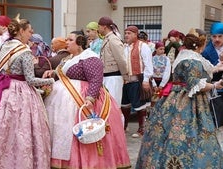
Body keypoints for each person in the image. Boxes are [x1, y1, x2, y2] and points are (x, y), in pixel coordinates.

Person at [136, 28, 223, 168]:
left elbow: (202, 71)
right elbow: (195, 84)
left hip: (173, 98)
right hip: (189, 102)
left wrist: (217, 68)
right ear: (201, 44)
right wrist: (215, 85)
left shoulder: (184, 56)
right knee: (192, 136)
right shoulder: (192, 61)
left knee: (164, 134)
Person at [0, 14, 54, 169]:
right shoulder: (25, 51)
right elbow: (31, 80)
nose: (31, 34)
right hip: (20, 93)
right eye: (29, 31)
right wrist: (50, 80)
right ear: (21, 31)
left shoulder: (2, 46)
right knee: (19, 130)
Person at [43, 30, 131, 169]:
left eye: (70, 40)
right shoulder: (68, 58)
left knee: (83, 130)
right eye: (66, 39)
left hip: (83, 99)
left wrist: (90, 99)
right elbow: (65, 72)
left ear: (79, 43)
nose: (67, 42)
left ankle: (88, 163)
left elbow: (96, 80)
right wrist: (53, 72)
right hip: (64, 101)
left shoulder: (90, 57)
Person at [202, 22, 223, 168]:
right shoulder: (206, 52)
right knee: (217, 121)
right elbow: (204, 73)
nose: (216, 39)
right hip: (215, 92)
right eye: (214, 36)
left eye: (220, 36)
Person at [121, 25, 153, 138]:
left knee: (140, 105)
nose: (126, 35)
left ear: (135, 34)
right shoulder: (124, 47)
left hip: (137, 80)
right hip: (125, 81)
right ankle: (124, 127)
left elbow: (148, 64)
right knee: (124, 105)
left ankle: (142, 128)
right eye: (125, 33)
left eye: (129, 33)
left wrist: (146, 80)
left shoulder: (143, 47)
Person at [98, 16, 128, 108]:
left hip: (113, 77)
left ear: (104, 27)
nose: (98, 29)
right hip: (107, 77)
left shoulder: (113, 39)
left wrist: (125, 76)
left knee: (113, 105)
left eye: (99, 26)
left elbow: (121, 59)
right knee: (107, 105)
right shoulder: (107, 38)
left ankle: (117, 122)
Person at [151, 41, 171, 106]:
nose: (162, 51)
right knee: (153, 98)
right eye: (160, 49)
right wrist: (154, 85)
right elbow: (149, 71)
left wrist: (162, 85)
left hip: (163, 81)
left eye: (163, 49)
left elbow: (167, 71)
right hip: (153, 81)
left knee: (162, 98)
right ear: (156, 49)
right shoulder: (151, 59)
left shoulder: (166, 59)